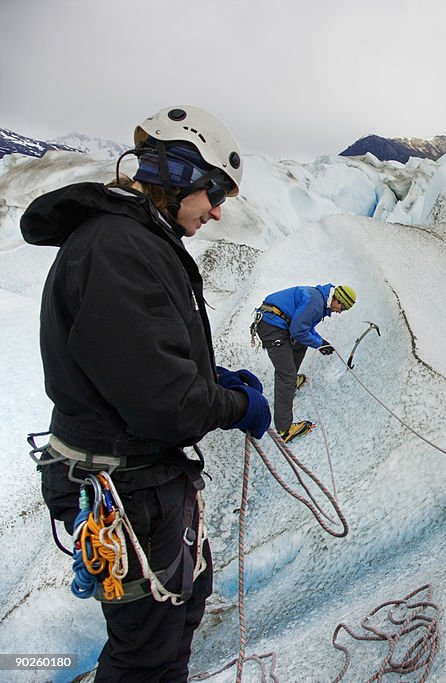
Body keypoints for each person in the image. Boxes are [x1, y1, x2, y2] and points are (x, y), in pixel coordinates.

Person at [20, 105, 271, 682]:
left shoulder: (131, 239)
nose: (216, 210)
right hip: (127, 486)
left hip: (139, 479)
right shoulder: (120, 249)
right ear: (181, 175)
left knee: (177, 610)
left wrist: (213, 379)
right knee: (146, 657)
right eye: (215, 193)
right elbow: (167, 406)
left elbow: (141, 359)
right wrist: (235, 406)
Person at [252, 283, 356, 442]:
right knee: (285, 375)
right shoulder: (316, 303)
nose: (340, 312)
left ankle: (291, 381)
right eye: (342, 308)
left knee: (301, 344)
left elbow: (303, 327)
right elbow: (298, 330)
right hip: (271, 328)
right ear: (338, 300)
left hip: (275, 321)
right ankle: (284, 429)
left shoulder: (319, 298)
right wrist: (319, 343)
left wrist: (320, 341)